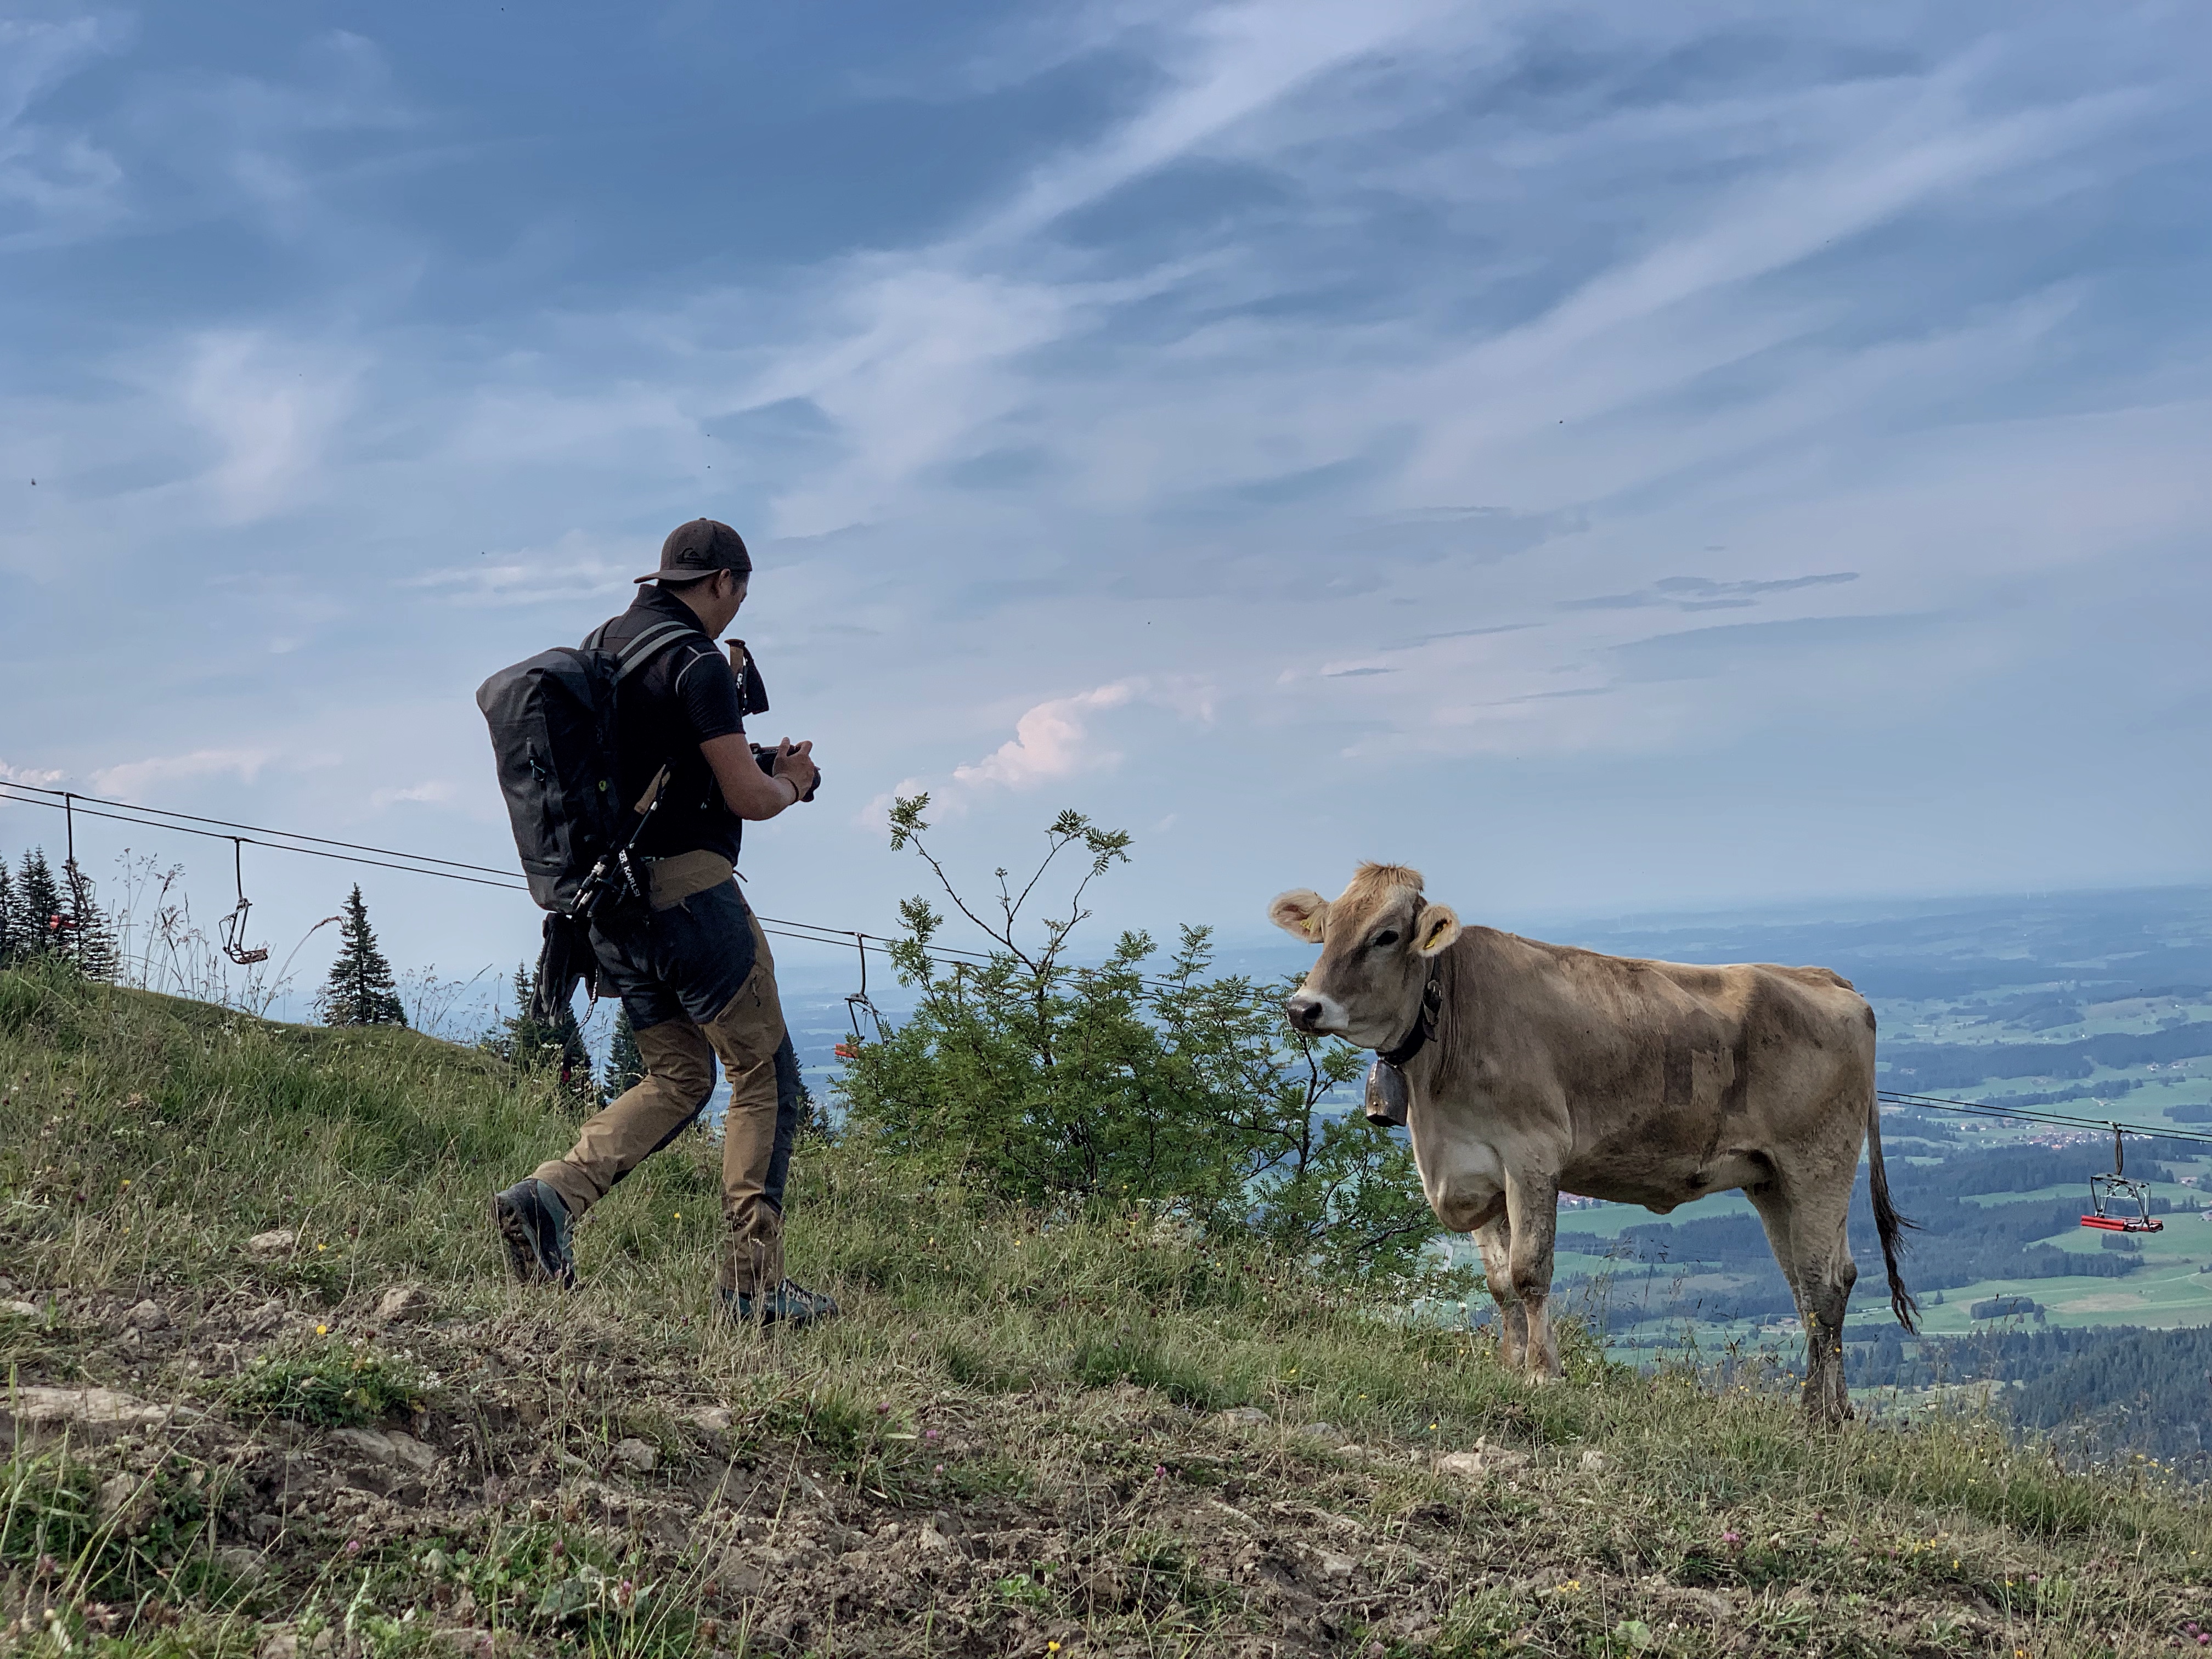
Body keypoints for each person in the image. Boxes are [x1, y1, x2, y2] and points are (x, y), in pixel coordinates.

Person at [493, 518, 835, 1326]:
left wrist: (748, 769)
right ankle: (752, 1288)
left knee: (680, 1077)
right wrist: (792, 782)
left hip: (610, 908)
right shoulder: (698, 663)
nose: (735, 610)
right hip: (691, 902)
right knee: (766, 1078)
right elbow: (748, 801)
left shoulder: (608, 645)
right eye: (739, 593)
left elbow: (665, 774)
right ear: (720, 581)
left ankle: (548, 1198)